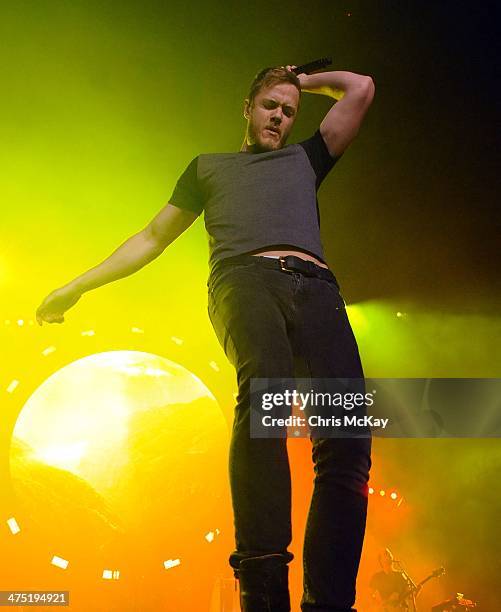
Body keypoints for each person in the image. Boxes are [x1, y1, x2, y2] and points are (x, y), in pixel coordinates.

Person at [36, 63, 375, 611]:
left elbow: (361, 88)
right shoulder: (207, 169)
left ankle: (329, 601)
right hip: (245, 279)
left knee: (347, 435)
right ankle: (264, 587)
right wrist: (78, 286)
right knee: (267, 396)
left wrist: (298, 77)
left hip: (317, 288)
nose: (280, 117)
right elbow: (150, 238)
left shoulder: (307, 158)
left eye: (290, 111)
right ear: (247, 107)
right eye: (271, 105)